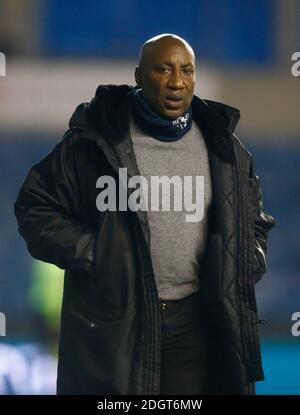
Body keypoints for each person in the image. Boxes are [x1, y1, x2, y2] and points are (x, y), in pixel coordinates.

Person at [14, 33, 276, 395]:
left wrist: (241, 266)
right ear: (139, 76)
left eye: (187, 70)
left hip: (196, 321)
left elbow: (255, 222)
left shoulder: (225, 149)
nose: (176, 81)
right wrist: (96, 252)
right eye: (163, 69)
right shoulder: (95, 142)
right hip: (117, 320)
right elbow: (35, 205)